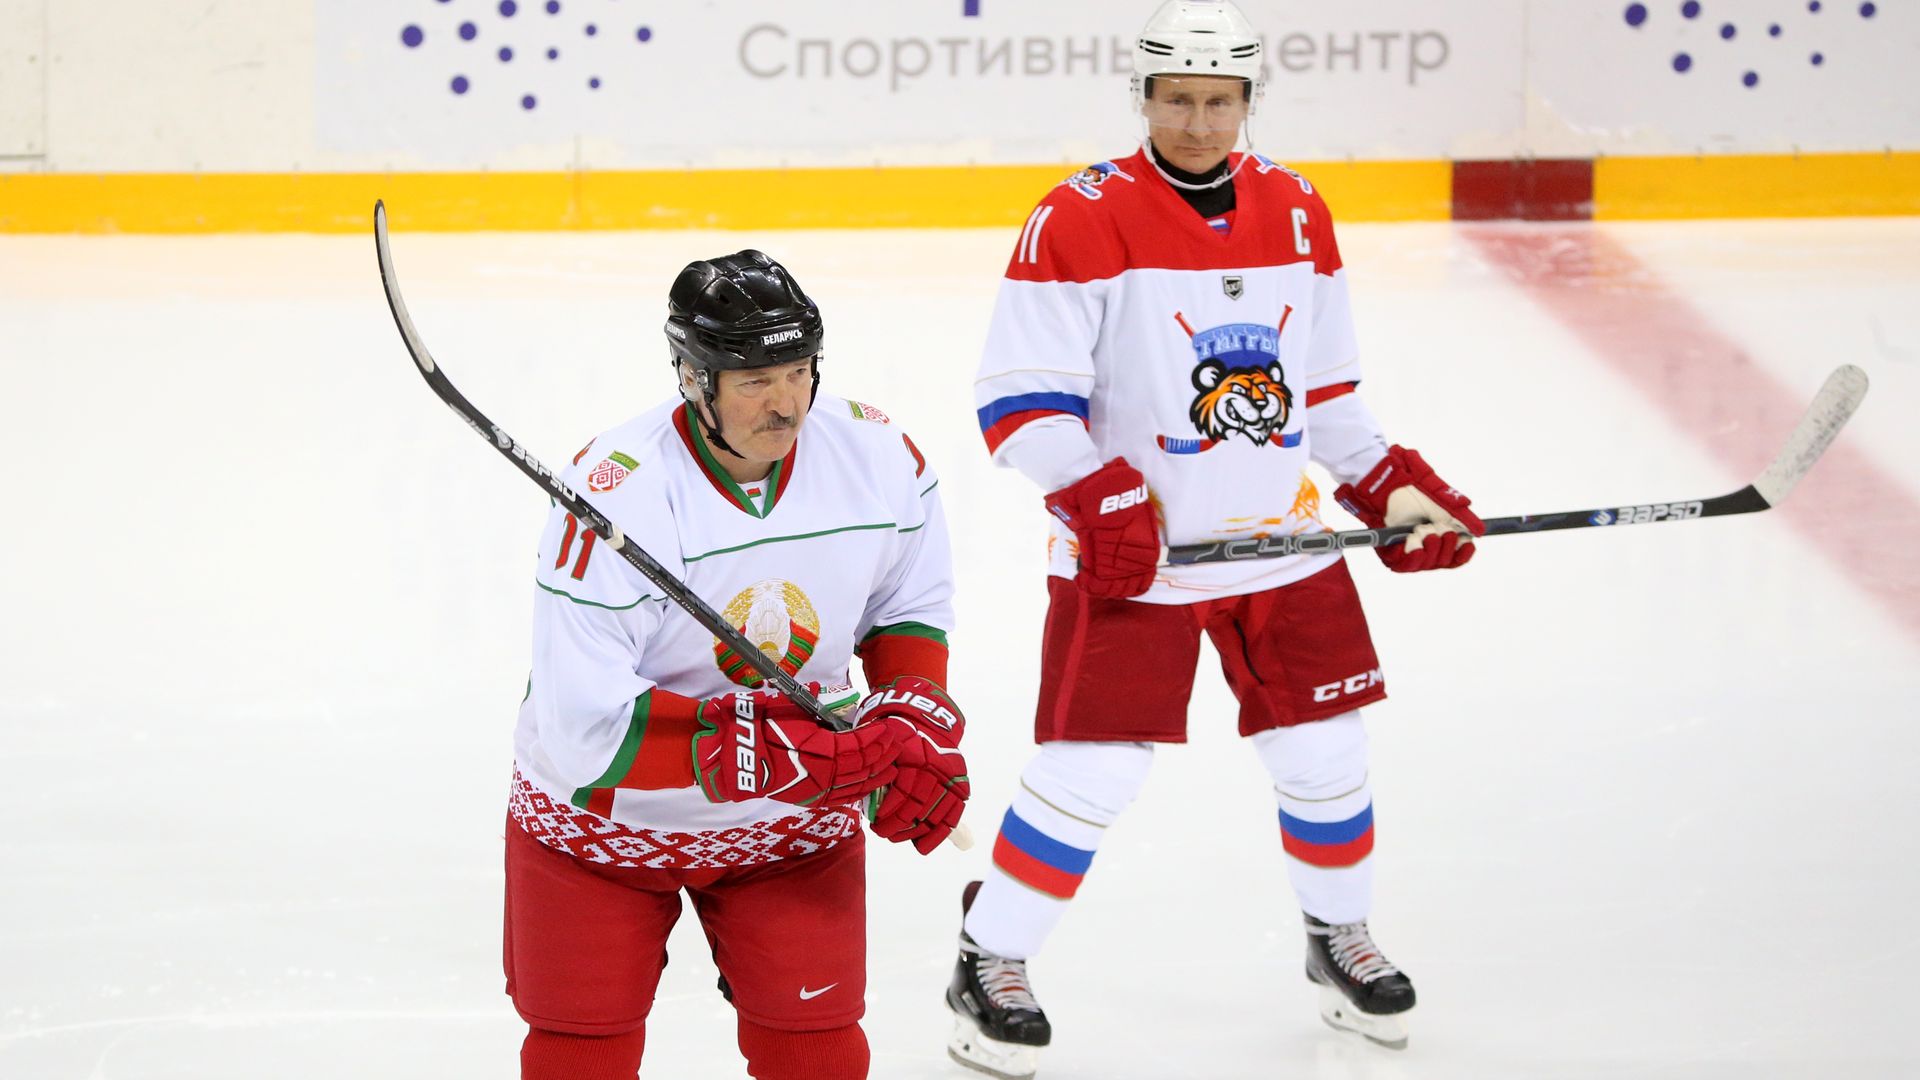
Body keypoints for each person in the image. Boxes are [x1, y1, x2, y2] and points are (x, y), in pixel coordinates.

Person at [950, 1, 1485, 1074]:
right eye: (1178, 100)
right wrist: (1097, 495)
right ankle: (988, 958)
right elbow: (1019, 402)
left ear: (1249, 100)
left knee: (1325, 752)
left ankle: (1338, 938)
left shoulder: (1297, 208)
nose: (1198, 123)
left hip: (1281, 545)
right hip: (1138, 557)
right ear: (1143, 96)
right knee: (1092, 771)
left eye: (1220, 102)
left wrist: (1386, 486)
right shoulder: (1079, 217)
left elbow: (1323, 393)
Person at [505, 250, 969, 1080]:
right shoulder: (616, 490)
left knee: (818, 1058)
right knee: (580, 1055)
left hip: (794, 824)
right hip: (608, 823)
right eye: (755, 380)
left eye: (798, 372)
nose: (785, 404)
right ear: (695, 378)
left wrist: (906, 717)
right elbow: (581, 725)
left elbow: (907, 602)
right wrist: (754, 748)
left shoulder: (878, 455)